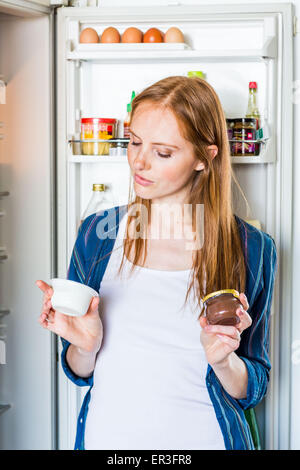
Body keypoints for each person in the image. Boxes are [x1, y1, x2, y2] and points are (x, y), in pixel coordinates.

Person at [36, 76, 277, 450]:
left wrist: (223, 361)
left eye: (163, 152)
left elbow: (254, 385)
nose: (139, 161)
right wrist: (86, 346)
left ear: (205, 157)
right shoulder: (98, 235)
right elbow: (80, 371)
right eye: (134, 142)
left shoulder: (251, 248)